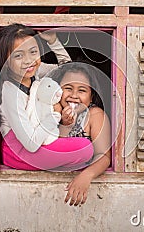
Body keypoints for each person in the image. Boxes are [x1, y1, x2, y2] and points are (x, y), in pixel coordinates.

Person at [0, 23, 94, 174]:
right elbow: (31, 143)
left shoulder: (35, 71)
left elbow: (67, 68)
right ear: (6, 60)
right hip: (18, 151)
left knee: (85, 150)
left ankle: (56, 163)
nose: (28, 60)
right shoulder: (10, 93)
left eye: (33, 52)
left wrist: (53, 42)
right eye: (18, 55)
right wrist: (55, 115)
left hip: (39, 139)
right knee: (85, 149)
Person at [51, 62, 111, 206]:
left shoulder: (94, 115)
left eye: (82, 90)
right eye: (68, 88)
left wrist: (86, 176)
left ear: (91, 96)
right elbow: (53, 152)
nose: (74, 95)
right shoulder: (50, 112)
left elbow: (104, 156)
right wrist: (66, 125)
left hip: (82, 190)